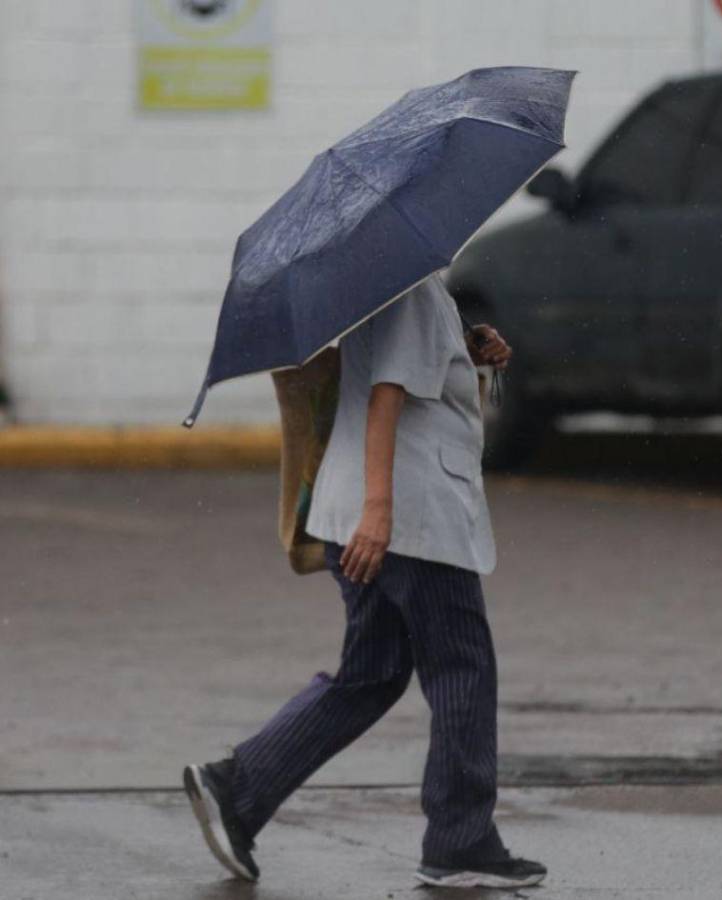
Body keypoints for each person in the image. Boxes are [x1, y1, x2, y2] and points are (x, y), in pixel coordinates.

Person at [182, 274, 546, 889]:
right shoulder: (409, 284)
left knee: (370, 675)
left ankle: (237, 790)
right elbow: (387, 392)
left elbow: (403, 363)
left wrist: (463, 346)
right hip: (409, 517)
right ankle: (462, 842)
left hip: (357, 510)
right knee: (463, 668)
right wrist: (381, 510)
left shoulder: (379, 285)